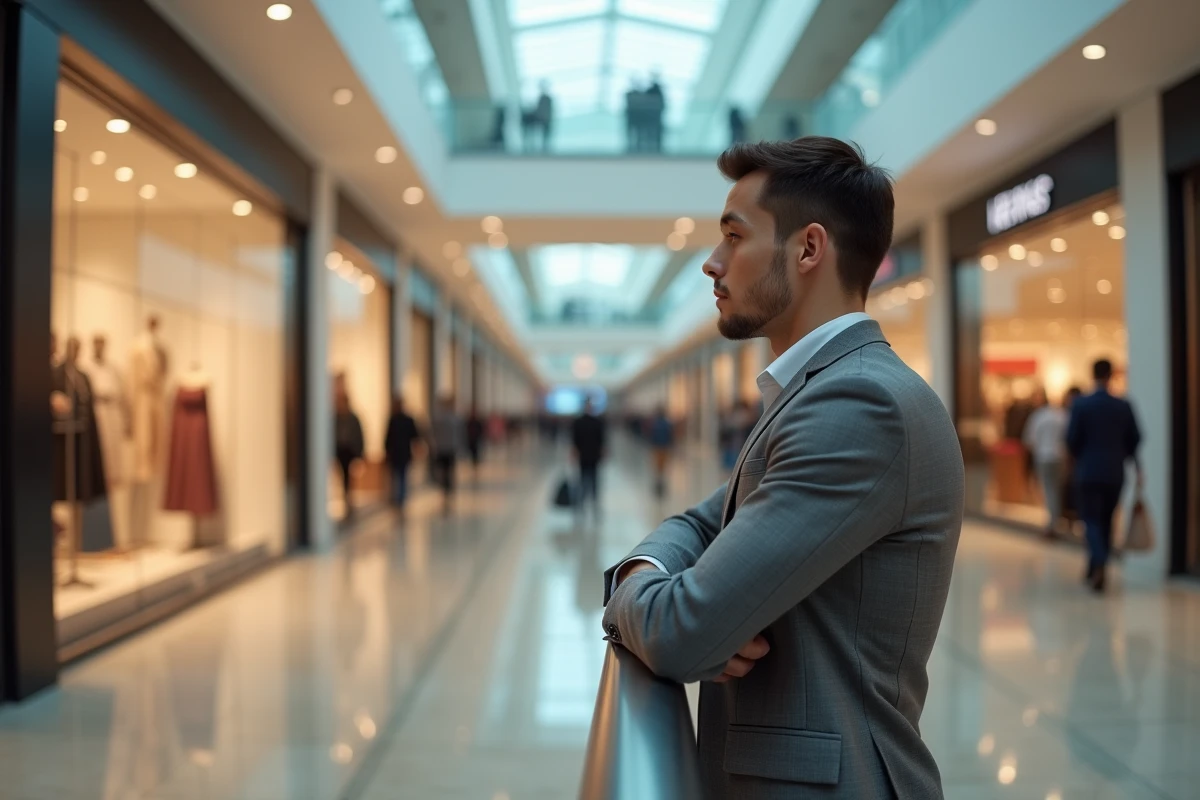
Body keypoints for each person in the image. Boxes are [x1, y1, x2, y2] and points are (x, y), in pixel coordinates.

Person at [602, 137, 964, 799]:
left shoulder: (858, 405)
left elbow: (685, 633)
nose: (712, 264)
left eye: (734, 237)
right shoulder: (814, 393)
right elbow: (699, 525)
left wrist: (629, 596)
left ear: (808, 249)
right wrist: (648, 571)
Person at [1067, 359, 1142, 593]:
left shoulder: (1081, 405)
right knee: (1107, 521)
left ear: (1093, 374)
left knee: (1090, 520)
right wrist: (1131, 461)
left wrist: (1080, 457)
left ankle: (1098, 561)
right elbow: (1134, 439)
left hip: (1088, 471)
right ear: (1112, 375)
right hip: (1114, 472)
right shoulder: (1122, 405)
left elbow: (1071, 439)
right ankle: (1095, 567)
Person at [1023, 390, 1069, 538]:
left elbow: (1029, 440)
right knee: (1057, 489)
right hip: (1060, 456)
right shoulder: (1061, 415)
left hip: (1044, 457)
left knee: (1049, 490)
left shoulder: (1038, 417)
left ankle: (1052, 524)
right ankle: (1057, 520)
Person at [571, 398, 607, 523]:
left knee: (594, 479)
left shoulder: (597, 422)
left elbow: (602, 438)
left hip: (594, 455)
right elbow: (574, 439)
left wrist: (603, 451)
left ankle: (594, 502)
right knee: (582, 479)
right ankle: (580, 503)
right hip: (583, 455)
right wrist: (574, 451)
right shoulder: (578, 422)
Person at [333, 376, 364, 520]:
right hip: (340, 450)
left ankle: (348, 499)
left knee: (347, 477)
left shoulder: (352, 418)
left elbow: (358, 435)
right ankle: (346, 498)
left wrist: (359, 453)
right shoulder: (336, 417)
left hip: (349, 451)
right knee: (342, 475)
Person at [384, 395, 419, 511]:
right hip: (402, 452)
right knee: (401, 476)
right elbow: (415, 435)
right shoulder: (404, 420)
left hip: (397, 452)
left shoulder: (394, 419)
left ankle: (398, 498)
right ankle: (400, 498)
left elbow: (387, 438)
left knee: (397, 476)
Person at [428, 394, 462, 515]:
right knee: (447, 471)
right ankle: (446, 490)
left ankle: (446, 490)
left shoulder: (439, 418)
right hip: (447, 449)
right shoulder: (453, 419)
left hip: (442, 449)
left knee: (444, 471)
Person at [646, 405, 674, 498]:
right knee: (662, 464)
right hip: (663, 447)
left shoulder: (656, 423)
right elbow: (670, 435)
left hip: (658, 447)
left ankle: (659, 477)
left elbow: (652, 436)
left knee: (658, 464)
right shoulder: (666, 423)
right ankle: (660, 476)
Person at [465, 408, 485, 473]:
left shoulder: (477, 422)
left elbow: (480, 430)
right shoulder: (469, 421)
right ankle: (473, 463)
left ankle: (475, 463)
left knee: (476, 452)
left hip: (476, 439)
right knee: (472, 452)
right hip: (471, 439)